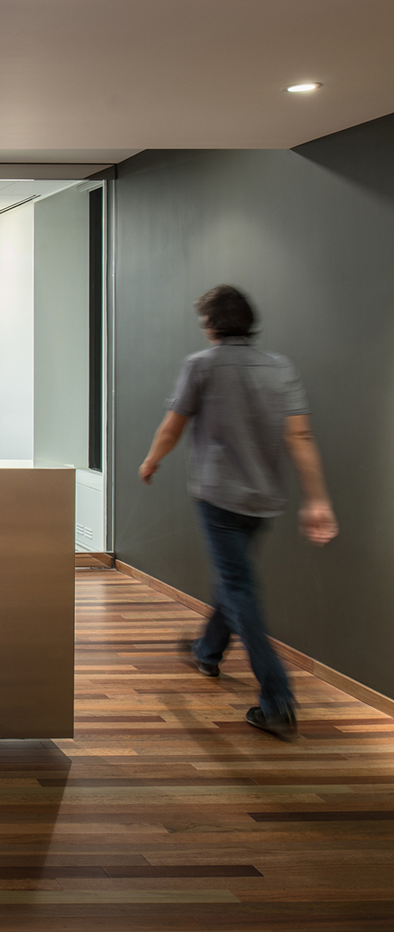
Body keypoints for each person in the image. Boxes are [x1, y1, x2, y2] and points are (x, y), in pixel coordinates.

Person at [138, 285, 337, 740]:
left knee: (238, 587)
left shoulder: (201, 365)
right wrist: (317, 499)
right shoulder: (280, 367)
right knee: (233, 579)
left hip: (218, 499)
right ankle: (207, 651)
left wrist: (151, 460)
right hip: (263, 501)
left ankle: (277, 701)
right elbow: (300, 436)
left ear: (212, 324)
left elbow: (173, 426)